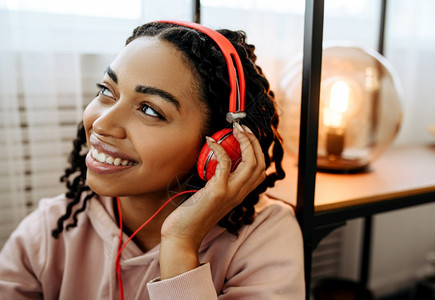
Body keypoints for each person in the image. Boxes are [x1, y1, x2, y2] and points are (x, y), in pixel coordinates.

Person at [0, 20, 305, 299]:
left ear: (220, 146)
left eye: (149, 110)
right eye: (106, 90)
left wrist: (180, 244)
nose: (102, 124)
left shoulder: (264, 236)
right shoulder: (48, 230)